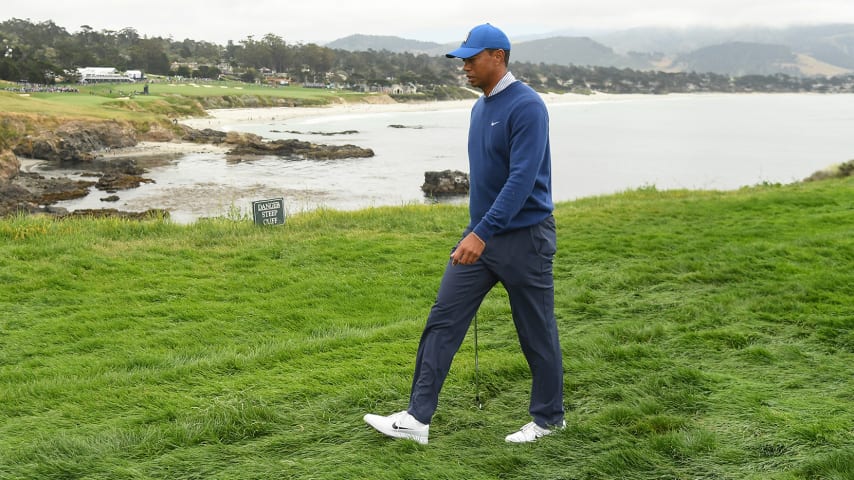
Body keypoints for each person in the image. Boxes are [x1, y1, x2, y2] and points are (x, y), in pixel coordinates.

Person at [364, 23, 565, 445]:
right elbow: (488, 181)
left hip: (526, 238)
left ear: (499, 56)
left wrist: (483, 232)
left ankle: (548, 420)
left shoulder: (527, 106)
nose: (465, 66)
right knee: (442, 320)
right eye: (462, 59)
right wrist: (473, 231)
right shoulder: (480, 107)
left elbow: (521, 180)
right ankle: (417, 419)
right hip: (481, 237)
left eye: (472, 59)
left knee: (536, 331)